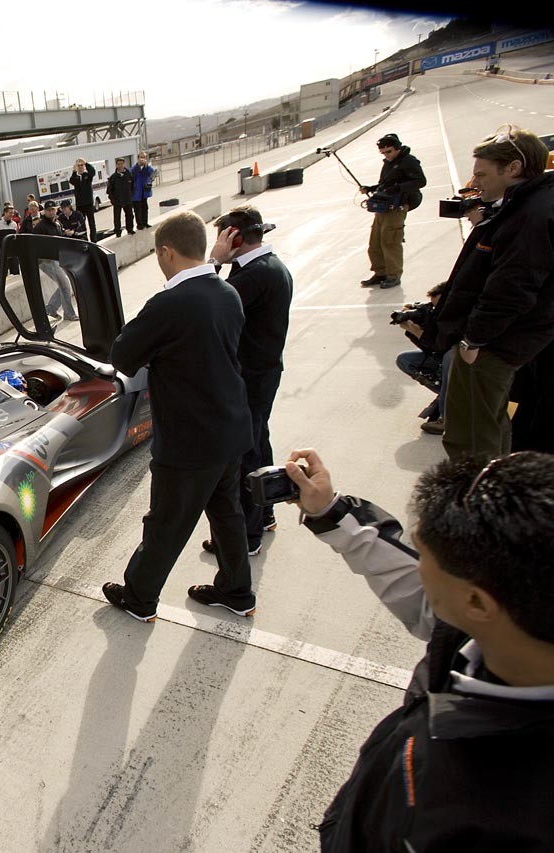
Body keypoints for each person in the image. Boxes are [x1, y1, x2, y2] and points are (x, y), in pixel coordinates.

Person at [287, 448, 554, 852]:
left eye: (425, 557)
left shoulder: (499, 815)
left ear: (477, 603)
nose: (417, 567)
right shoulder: (488, 629)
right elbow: (421, 594)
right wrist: (329, 510)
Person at [101, 212, 254, 622]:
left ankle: (139, 598)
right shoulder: (227, 293)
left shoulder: (170, 303)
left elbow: (122, 356)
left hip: (190, 440)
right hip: (230, 429)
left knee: (166, 523)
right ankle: (238, 591)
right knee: (228, 514)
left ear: (166, 250)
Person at [420, 125, 554, 461]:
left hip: (491, 345)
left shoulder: (531, 215)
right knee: (488, 427)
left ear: (513, 169)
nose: (474, 182)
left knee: (471, 438)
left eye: (481, 173)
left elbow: (512, 288)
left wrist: (472, 341)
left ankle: (476, 504)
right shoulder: (525, 206)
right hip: (497, 342)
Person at [201, 206, 293, 557]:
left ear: (234, 238)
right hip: (264, 373)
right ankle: (265, 512)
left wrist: (215, 260)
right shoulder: (270, 267)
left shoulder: (254, 274)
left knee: (246, 457)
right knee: (259, 443)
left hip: (250, 378)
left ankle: (248, 534)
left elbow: (208, 305)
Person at [358, 133, 426, 289]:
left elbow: (420, 181)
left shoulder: (409, 161)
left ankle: (393, 275)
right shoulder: (389, 162)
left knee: (390, 241)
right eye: (383, 153)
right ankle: (380, 272)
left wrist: (398, 188)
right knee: (375, 242)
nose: (386, 155)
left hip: (397, 207)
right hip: (384, 206)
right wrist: (371, 189)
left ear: (397, 148)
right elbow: (386, 183)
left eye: (388, 151)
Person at [393, 282, 450, 435]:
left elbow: (442, 348)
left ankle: (446, 418)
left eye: (437, 306)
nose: (434, 310)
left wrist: (417, 331)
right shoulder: (433, 315)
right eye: (432, 306)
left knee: (448, 360)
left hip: (460, 364)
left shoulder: (454, 318)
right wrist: (412, 328)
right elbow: (429, 350)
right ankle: (446, 394)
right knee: (405, 360)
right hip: (442, 360)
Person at [34, 202, 78, 321]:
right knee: (65, 284)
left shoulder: (57, 223)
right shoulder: (40, 227)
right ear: (44, 212)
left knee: (64, 285)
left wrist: (65, 234)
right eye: (48, 210)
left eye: (53, 209)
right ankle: (68, 313)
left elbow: (59, 238)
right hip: (46, 260)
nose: (51, 212)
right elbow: (35, 244)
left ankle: (51, 308)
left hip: (56, 258)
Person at [69, 158, 98, 241]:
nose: (80, 167)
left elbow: (92, 171)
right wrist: (74, 171)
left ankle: (94, 240)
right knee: (81, 224)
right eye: (79, 166)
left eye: (82, 165)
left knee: (92, 223)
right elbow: (71, 181)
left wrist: (86, 163)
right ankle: (85, 239)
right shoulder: (75, 178)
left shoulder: (87, 176)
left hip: (88, 203)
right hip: (80, 204)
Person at [107, 157, 136, 237]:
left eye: (121, 164)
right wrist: (113, 200)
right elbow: (109, 190)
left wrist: (131, 195)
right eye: (118, 164)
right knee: (117, 217)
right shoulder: (113, 177)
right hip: (117, 201)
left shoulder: (128, 174)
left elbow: (133, 186)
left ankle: (130, 229)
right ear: (116, 165)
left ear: (124, 164)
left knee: (130, 215)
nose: (120, 166)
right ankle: (118, 232)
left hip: (127, 199)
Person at [0, 203, 20, 278]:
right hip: (2, 253)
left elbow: (16, 238)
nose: (12, 215)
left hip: (13, 253)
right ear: (5, 213)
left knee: (16, 274)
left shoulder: (14, 224)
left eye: (13, 213)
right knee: (3, 275)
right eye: (10, 213)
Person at [129, 153, 156, 230]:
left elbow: (152, 173)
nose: (142, 159)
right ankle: (139, 224)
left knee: (145, 207)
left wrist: (146, 166)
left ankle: (145, 222)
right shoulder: (135, 168)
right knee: (137, 209)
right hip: (136, 192)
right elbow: (131, 172)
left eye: (144, 157)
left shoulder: (147, 168)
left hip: (144, 191)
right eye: (141, 157)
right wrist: (138, 165)